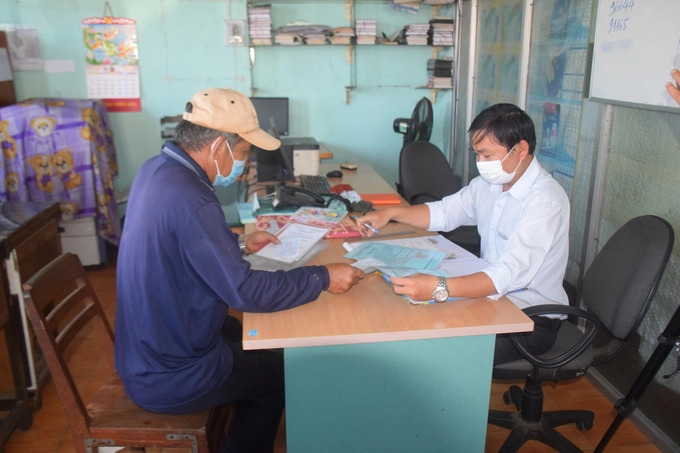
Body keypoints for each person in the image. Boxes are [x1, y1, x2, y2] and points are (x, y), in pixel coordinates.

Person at [114, 87, 364, 453]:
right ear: (218, 146)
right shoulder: (193, 198)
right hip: (171, 374)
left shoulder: (157, 170)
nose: (244, 163)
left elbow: (179, 246)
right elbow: (244, 291)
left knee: (256, 341)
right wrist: (322, 277)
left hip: (151, 346)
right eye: (244, 152)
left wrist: (240, 244)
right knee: (278, 378)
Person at [356, 103, 570, 366]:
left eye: (487, 155)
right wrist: (389, 214)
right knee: (410, 323)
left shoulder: (544, 202)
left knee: (434, 352)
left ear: (521, 149)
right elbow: (444, 213)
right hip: (492, 301)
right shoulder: (489, 185)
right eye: (477, 154)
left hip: (529, 320)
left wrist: (439, 288)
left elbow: (506, 274)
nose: (480, 163)